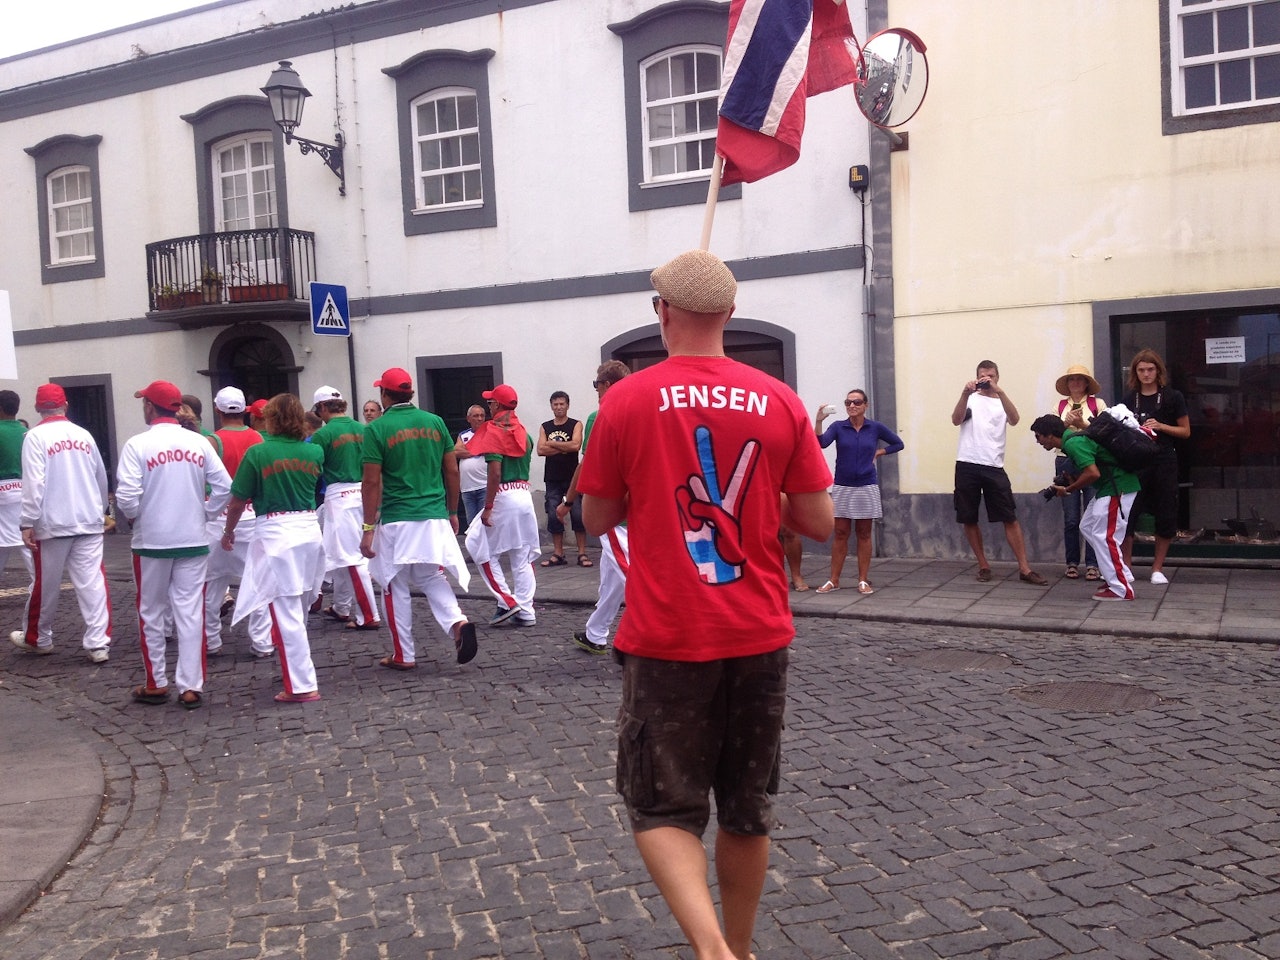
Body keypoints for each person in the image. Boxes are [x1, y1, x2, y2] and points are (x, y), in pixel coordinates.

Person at [578, 250, 834, 960]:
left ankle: (712, 953)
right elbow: (817, 522)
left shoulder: (624, 401)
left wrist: (657, 489)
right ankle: (743, 948)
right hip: (758, 631)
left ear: (663, 314)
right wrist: (751, 501)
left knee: (662, 808)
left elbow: (598, 519)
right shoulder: (779, 399)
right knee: (747, 810)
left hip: (667, 634)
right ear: (728, 314)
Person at [115, 380, 232, 708]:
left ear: (150, 407)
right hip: (192, 539)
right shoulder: (198, 443)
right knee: (190, 610)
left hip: (151, 541)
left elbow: (126, 495)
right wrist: (204, 514)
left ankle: (156, 683)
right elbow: (224, 487)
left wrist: (137, 516)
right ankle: (191, 686)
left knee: (151, 611)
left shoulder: (137, 444)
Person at [359, 367, 477, 669]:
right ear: (409, 393)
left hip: (398, 517)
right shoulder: (435, 422)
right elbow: (451, 470)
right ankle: (458, 624)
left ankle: (404, 654)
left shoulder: (376, 429)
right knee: (430, 575)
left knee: (392, 583)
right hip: (434, 513)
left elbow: (371, 482)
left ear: (385, 395)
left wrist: (368, 527)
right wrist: (452, 511)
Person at [221, 394, 325, 703]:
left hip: (276, 532)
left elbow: (238, 500)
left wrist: (228, 531)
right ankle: (296, 668)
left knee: (286, 608)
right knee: (300, 604)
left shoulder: (258, 453)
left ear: (272, 418)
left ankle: (301, 684)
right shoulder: (315, 452)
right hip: (308, 529)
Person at [9, 383, 112, 661]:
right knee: (92, 582)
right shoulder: (84, 435)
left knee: (46, 584)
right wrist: (101, 509)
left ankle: (39, 637)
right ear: (65, 405)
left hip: (52, 521)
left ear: (38, 408)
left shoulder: (35, 436)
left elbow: (34, 482)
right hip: (87, 519)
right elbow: (100, 475)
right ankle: (98, 642)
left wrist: (27, 520)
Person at [555, 360, 631, 654]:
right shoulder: (642, 411)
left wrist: (568, 501)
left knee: (630, 575)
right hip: (635, 508)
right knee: (613, 579)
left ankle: (657, 637)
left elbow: (585, 467)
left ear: (607, 385)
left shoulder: (600, 415)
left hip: (610, 510)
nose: (596, 391)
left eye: (597, 385)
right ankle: (595, 633)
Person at [951, 361, 1048, 585]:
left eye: (991, 376)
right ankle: (983, 565)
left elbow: (1014, 419)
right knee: (969, 516)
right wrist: (964, 393)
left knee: (1009, 516)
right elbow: (956, 420)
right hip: (967, 462)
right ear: (976, 377)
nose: (987, 379)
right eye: (983, 376)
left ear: (997, 377)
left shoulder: (1001, 400)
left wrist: (999, 391)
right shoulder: (971, 399)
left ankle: (1024, 568)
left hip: (994, 465)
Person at [1032, 414, 1140, 601]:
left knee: (1105, 536)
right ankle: (1116, 575)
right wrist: (1072, 481)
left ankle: (1121, 588)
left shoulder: (1074, 444)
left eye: (1038, 436)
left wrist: (1068, 489)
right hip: (1109, 488)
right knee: (1087, 527)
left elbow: (1092, 473)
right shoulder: (1073, 442)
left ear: (1049, 435)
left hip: (1117, 487)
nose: (1038, 441)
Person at [204, 385, 273, 658]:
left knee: (211, 582)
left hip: (217, 517)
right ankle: (262, 642)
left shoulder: (211, 441)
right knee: (256, 581)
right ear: (245, 410)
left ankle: (210, 640)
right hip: (251, 515)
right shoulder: (258, 438)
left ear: (217, 410)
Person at [813, 388, 904, 595]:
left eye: (857, 402)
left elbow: (898, 444)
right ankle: (834, 579)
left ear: (866, 405)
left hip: (866, 485)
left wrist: (880, 452)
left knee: (864, 534)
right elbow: (821, 443)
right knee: (841, 533)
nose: (852, 406)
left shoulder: (875, 427)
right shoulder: (838, 427)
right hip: (843, 486)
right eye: (848, 403)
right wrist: (819, 421)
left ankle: (863, 580)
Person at [464, 384, 541, 626]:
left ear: (497, 405)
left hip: (504, 495)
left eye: (490, 403)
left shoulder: (495, 431)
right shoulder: (524, 432)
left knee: (476, 545)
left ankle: (506, 601)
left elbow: (495, 472)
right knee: (521, 555)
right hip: (524, 495)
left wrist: (488, 506)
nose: (488, 406)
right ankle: (526, 611)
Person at [310, 386, 380, 630]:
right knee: (341, 553)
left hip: (339, 495)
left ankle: (369, 615)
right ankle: (341, 607)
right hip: (364, 491)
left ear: (322, 407)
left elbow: (314, 471)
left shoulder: (322, 435)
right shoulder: (364, 429)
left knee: (351, 558)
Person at [1121, 349, 1191, 586]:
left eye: (1150, 369)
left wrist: (1161, 426)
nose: (1146, 374)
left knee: (1166, 512)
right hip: (1137, 462)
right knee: (1128, 514)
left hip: (1164, 460)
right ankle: (1126, 566)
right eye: (1141, 370)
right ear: (1135, 373)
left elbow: (1185, 431)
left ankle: (1157, 568)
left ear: (1158, 371)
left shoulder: (1173, 397)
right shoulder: (1129, 399)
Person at [1051, 365, 1108, 581]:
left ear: (1086, 384)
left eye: (1079, 379)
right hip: (1065, 460)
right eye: (1071, 379)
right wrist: (1066, 424)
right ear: (1067, 384)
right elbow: (1053, 432)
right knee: (1071, 517)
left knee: (1093, 515)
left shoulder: (1097, 404)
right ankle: (1072, 562)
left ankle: (1093, 564)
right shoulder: (1059, 405)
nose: (1075, 383)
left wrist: (1081, 423)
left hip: (1090, 461)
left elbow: (1103, 431)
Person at [537, 390, 589, 567]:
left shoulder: (576, 424)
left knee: (577, 514)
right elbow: (540, 450)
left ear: (568, 405)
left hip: (572, 477)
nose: (559, 407)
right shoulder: (545, 426)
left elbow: (575, 446)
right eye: (555, 404)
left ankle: (582, 553)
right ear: (551, 406)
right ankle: (558, 553)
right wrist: (563, 447)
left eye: (562, 404)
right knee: (553, 514)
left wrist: (551, 443)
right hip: (552, 478)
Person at [0, 390, 33, 585]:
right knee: (26, 543)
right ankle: (38, 586)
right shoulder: (27, 433)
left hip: (2, 491)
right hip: (24, 490)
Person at [453, 404, 489, 530]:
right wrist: (478, 450)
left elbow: (489, 450)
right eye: (476, 416)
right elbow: (455, 452)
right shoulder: (463, 435)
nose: (479, 419)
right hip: (467, 488)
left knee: (484, 524)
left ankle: (486, 550)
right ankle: (476, 550)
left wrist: (468, 449)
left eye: (482, 416)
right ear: (468, 418)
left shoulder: (489, 433)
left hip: (484, 485)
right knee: (472, 525)